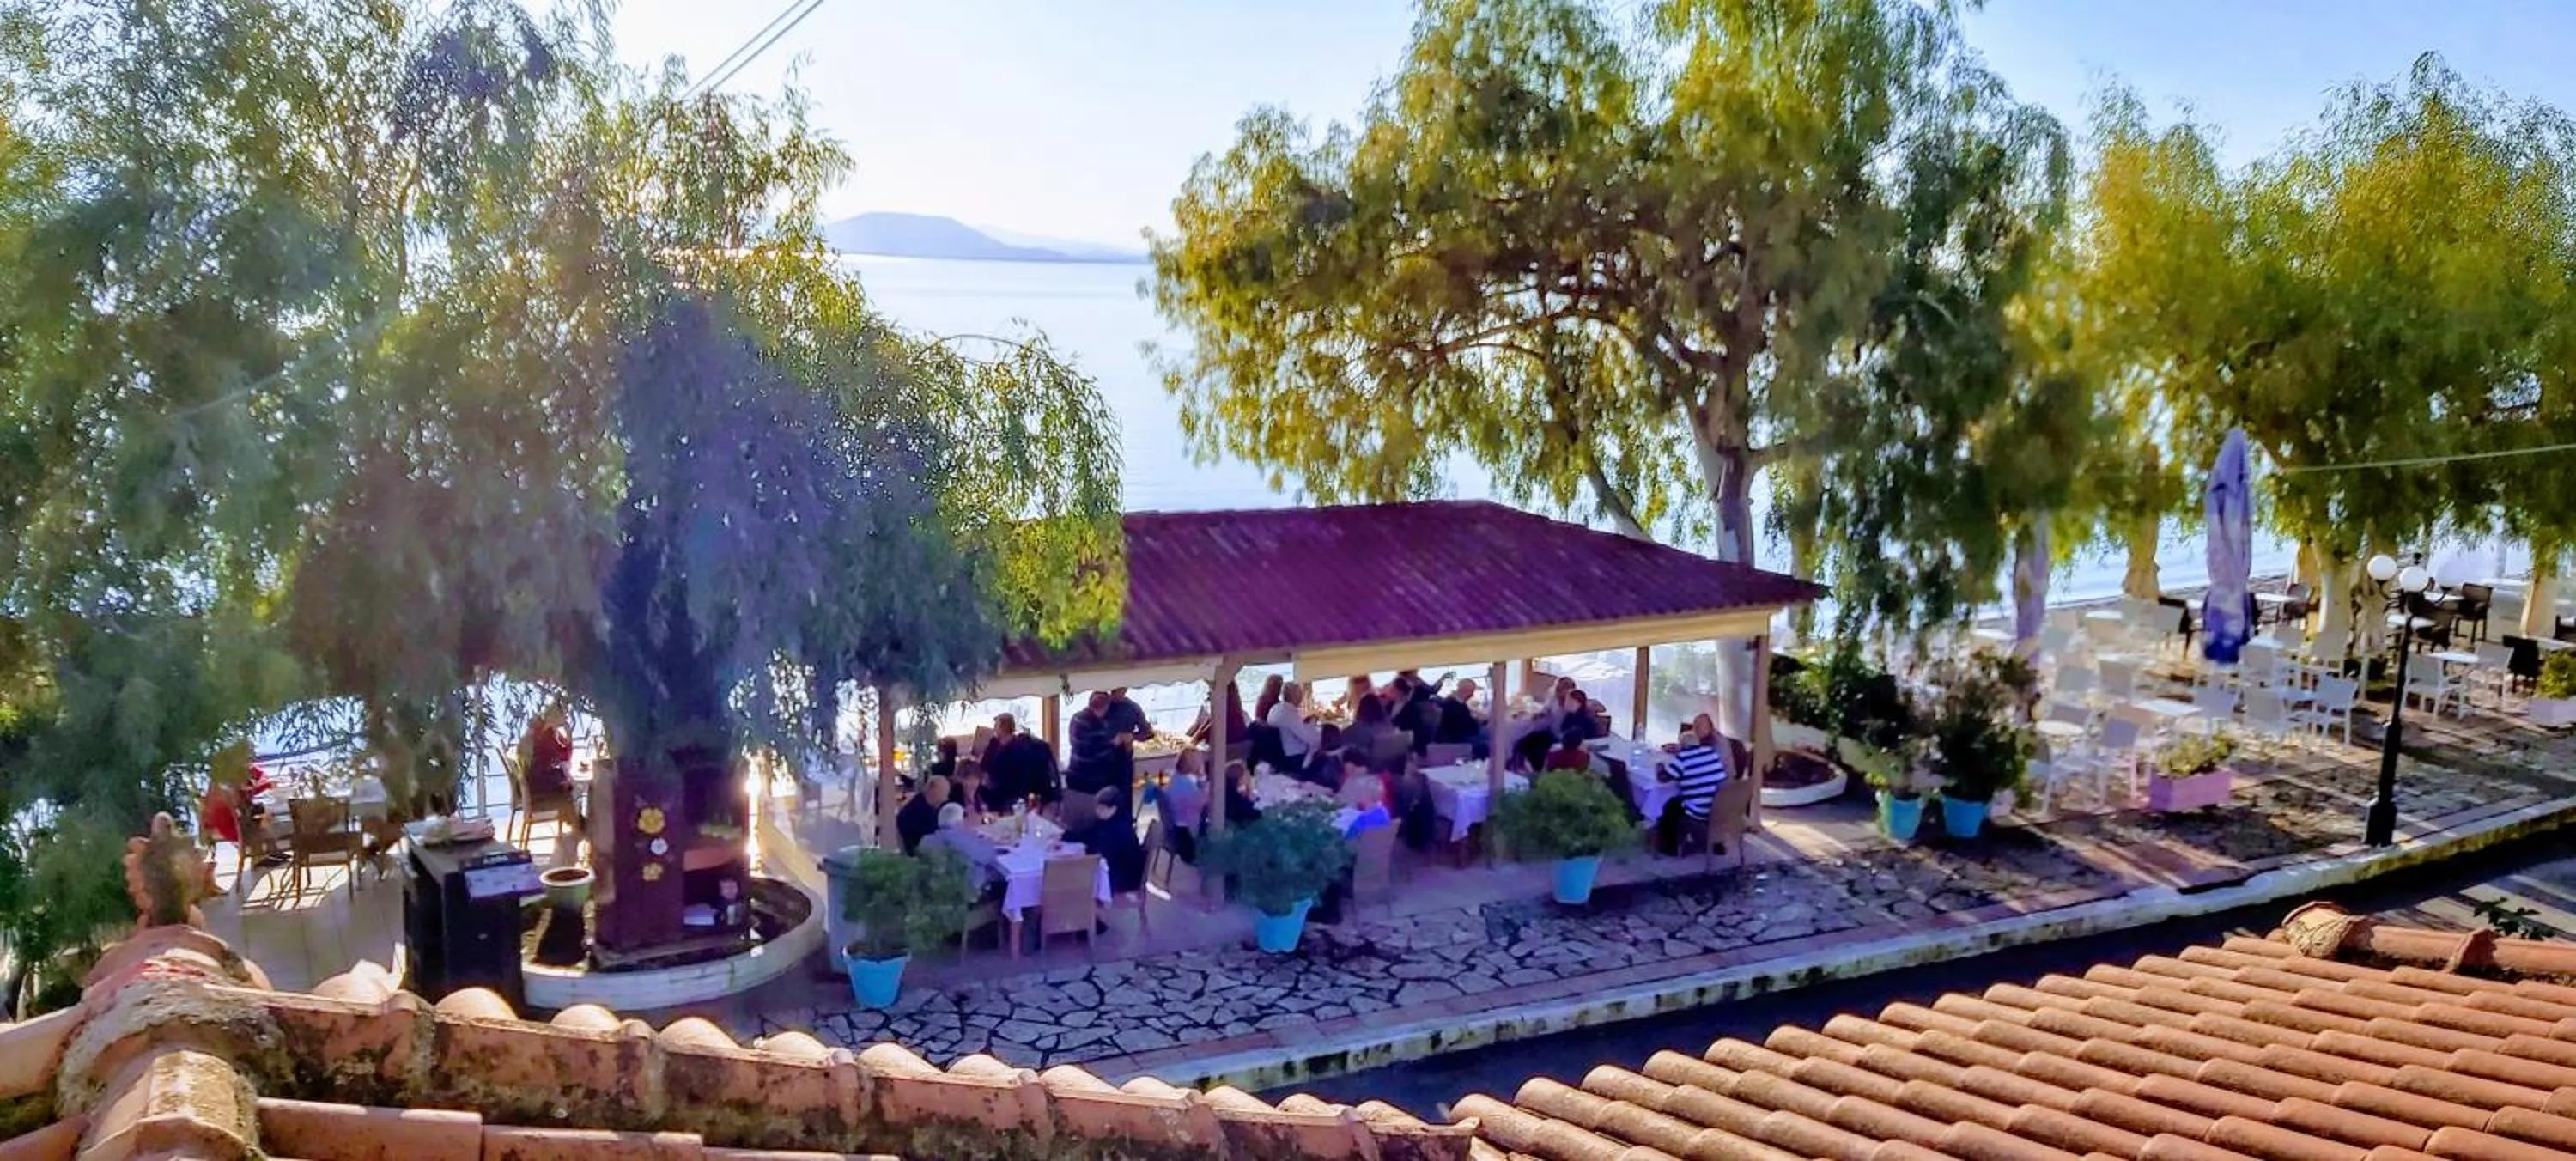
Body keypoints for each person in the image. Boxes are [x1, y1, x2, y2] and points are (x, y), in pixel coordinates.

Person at [1666, 726, 1730, 853]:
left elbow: (1665, 778)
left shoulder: (1682, 758)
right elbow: (1721, 777)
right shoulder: (1711, 753)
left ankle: (1671, 848)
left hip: (1698, 811)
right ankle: (1712, 841)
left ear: (1681, 745)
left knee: (1670, 806)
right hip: (1718, 807)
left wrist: (1661, 767)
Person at [1070, 790, 1148, 895]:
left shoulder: (1119, 829)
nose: (1098, 811)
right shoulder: (1108, 822)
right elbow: (1089, 835)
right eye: (1097, 808)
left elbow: (1104, 851)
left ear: (1114, 809)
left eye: (1102, 808)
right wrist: (1068, 836)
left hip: (1122, 877)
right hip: (1117, 870)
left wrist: (1086, 851)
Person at [921, 802, 1005, 893]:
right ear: (959, 821)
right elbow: (987, 856)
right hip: (966, 890)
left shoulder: (926, 840)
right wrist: (989, 842)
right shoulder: (963, 840)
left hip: (937, 889)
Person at [982, 714, 1058, 810]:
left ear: (1002, 728)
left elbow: (999, 774)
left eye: (996, 726)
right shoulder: (995, 744)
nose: (994, 729)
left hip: (1008, 793)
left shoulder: (1016, 750)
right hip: (1001, 787)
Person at [1066, 691, 1127, 798]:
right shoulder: (1096, 725)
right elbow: (1099, 753)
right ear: (1105, 708)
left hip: (1074, 773)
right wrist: (1115, 743)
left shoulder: (1076, 718)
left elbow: (1077, 744)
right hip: (1090, 779)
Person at [1161, 750, 1208, 862]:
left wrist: (1201, 779)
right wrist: (1203, 778)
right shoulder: (1185, 784)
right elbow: (1204, 805)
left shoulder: (1177, 778)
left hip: (1179, 828)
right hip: (1188, 833)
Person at [1266, 681, 1323, 765]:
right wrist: (1313, 722)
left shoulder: (1275, 708)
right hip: (1295, 757)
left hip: (1279, 754)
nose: (1301, 698)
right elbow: (1310, 738)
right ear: (1294, 696)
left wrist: (1306, 723)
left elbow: (1295, 729)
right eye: (1300, 694)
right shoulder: (1289, 713)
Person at [519, 714, 574, 801]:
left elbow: (563, 754)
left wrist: (558, 730)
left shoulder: (531, 735)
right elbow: (565, 755)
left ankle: (568, 811)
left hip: (529, 781)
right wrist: (567, 730)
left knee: (566, 776)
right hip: (538, 784)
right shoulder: (545, 737)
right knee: (571, 784)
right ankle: (569, 811)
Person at [896, 775, 951, 855]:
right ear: (933, 790)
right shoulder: (915, 811)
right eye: (944, 794)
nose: (945, 799)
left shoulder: (929, 807)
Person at [1221, 760, 1263, 827]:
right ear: (1241, 778)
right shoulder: (1238, 801)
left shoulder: (1227, 794)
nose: (1249, 777)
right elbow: (1255, 813)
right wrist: (1249, 789)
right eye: (1246, 775)